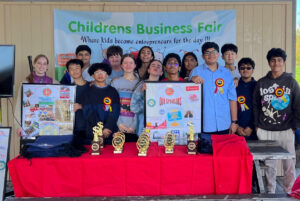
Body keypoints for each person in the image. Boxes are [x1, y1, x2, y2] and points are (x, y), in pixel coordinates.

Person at [253, 48, 300, 194]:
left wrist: (294, 126)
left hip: (286, 130)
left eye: (279, 60)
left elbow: (298, 104)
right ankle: (270, 191)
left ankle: (289, 191)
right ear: (269, 62)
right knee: (270, 165)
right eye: (273, 60)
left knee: (289, 165)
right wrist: (257, 126)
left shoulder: (291, 82)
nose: (276, 63)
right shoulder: (261, 83)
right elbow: (255, 105)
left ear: (284, 62)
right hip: (265, 130)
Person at [189, 42, 238, 134]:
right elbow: (187, 95)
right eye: (207, 53)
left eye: (214, 52)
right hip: (203, 124)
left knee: (224, 148)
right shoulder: (196, 71)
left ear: (218, 55)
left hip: (224, 123)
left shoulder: (226, 73)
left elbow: (232, 99)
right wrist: (191, 80)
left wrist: (234, 122)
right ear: (203, 56)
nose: (211, 55)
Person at [15, 54, 58, 136]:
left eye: (44, 64)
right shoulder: (26, 83)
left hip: (49, 124)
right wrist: (18, 125)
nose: (41, 66)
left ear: (47, 66)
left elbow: (59, 105)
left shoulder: (54, 83)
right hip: (30, 124)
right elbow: (19, 106)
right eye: (39, 63)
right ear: (34, 65)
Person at [82, 63, 120, 145]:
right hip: (93, 132)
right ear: (92, 75)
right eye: (97, 72)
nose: (100, 74)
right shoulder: (88, 92)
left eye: (103, 72)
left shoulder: (113, 91)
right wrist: (99, 130)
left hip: (109, 132)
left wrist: (107, 128)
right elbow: (88, 112)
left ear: (107, 75)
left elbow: (115, 112)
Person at [131, 59, 164, 136]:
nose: (156, 67)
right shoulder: (141, 86)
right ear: (149, 70)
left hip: (161, 126)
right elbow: (134, 107)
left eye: (159, 66)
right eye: (153, 65)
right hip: (144, 127)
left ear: (162, 72)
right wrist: (142, 93)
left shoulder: (165, 88)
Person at [111, 54, 140, 142]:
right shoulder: (115, 83)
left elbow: (141, 106)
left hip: (135, 127)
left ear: (135, 65)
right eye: (125, 63)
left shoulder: (140, 84)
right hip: (119, 126)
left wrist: (134, 125)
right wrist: (119, 123)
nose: (128, 65)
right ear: (121, 65)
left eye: (131, 63)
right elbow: (112, 105)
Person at [65, 59, 90, 145]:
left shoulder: (91, 86)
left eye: (77, 68)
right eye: (71, 69)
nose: (74, 71)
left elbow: (98, 106)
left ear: (82, 69)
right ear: (68, 72)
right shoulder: (66, 89)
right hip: (73, 129)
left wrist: (81, 106)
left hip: (90, 128)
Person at [236, 57, 257, 140]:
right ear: (238, 70)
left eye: (248, 68)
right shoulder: (234, 86)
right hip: (237, 128)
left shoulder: (258, 86)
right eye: (242, 68)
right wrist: (237, 126)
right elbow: (229, 108)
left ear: (253, 70)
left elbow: (260, 109)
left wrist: (251, 126)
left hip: (253, 128)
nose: (245, 70)